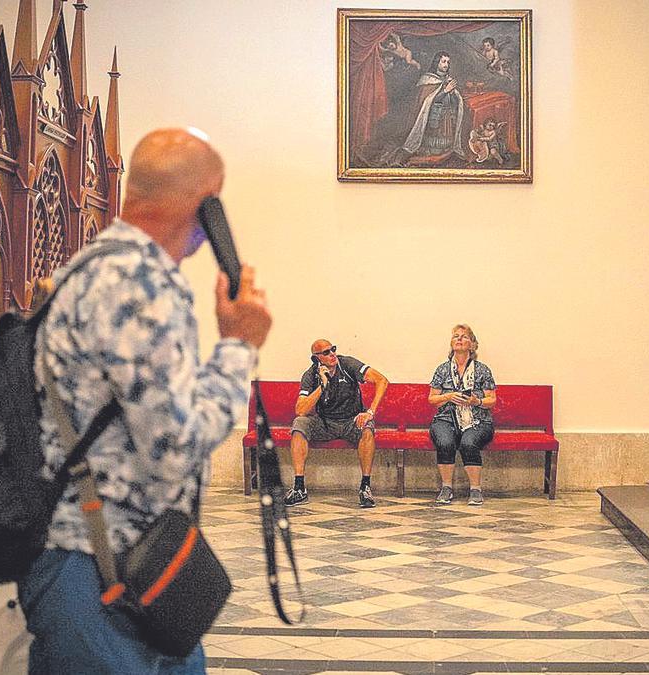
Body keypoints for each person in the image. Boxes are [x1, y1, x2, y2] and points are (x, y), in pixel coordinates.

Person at [21, 127, 272, 674]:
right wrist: (237, 347)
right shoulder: (139, 282)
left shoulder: (94, 266)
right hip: (102, 574)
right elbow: (173, 451)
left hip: (131, 564)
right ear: (206, 204)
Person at [284, 339, 389, 508]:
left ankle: (365, 487)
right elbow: (300, 410)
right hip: (325, 423)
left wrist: (370, 412)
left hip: (351, 420)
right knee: (299, 424)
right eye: (326, 352)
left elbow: (382, 380)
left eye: (332, 349)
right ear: (316, 358)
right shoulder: (310, 375)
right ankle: (299, 487)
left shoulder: (347, 364)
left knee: (367, 429)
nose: (332, 354)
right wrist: (322, 386)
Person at [427, 324, 496, 506]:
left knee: (468, 442)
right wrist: (449, 396)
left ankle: (475, 489)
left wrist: (476, 401)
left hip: (477, 420)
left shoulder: (482, 370)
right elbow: (432, 399)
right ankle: (446, 488)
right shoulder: (442, 370)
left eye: (464, 337)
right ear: (451, 343)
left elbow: (492, 400)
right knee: (445, 441)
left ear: (472, 345)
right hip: (445, 419)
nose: (459, 339)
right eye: (456, 336)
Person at [399, 51, 467, 160]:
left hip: (446, 116)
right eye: (443, 61)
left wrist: (453, 94)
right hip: (432, 117)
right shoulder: (428, 80)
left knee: (445, 143)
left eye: (448, 62)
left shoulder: (448, 79)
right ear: (437, 63)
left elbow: (455, 101)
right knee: (433, 146)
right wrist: (445, 91)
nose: (446, 65)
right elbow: (428, 101)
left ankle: (447, 149)